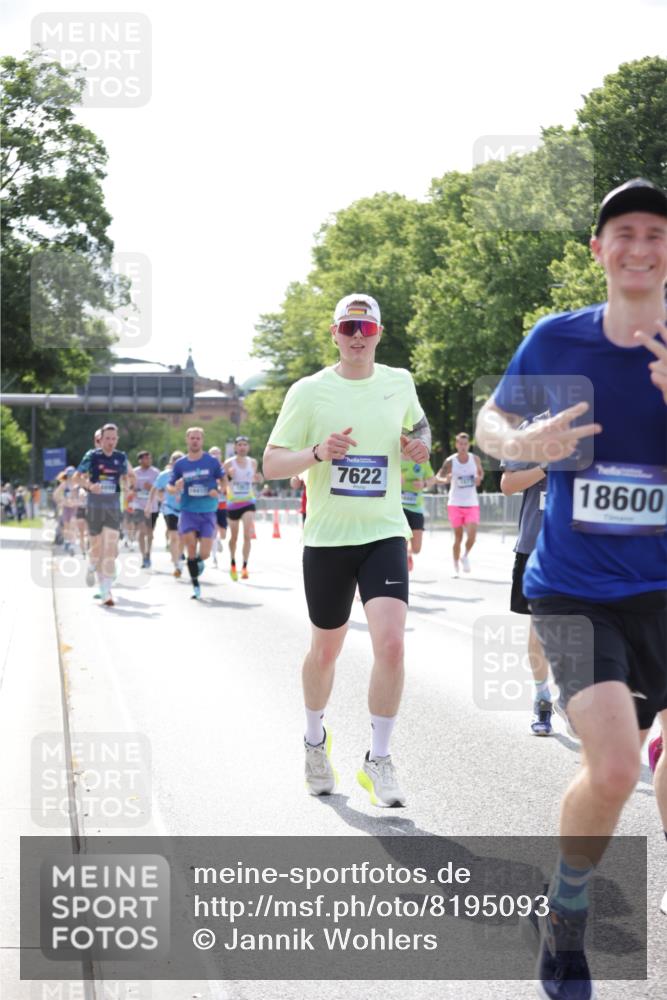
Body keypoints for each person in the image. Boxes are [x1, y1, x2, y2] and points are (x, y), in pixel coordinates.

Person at [476, 178, 667, 1000]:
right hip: (574, 590)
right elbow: (490, 426)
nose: (639, 248)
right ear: (597, 250)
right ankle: (567, 911)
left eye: (656, 234)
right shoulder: (555, 340)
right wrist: (520, 437)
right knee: (617, 768)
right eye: (623, 233)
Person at [264, 293, 431, 807]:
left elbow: (419, 424)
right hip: (328, 540)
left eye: (367, 328)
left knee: (393, 644)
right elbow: (271, 463)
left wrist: (420, 443)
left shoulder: (399, 381)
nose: (358, 336)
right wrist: (316, 452)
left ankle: (378, 760)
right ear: (334, 333)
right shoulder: (309, 392)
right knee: (326, 650)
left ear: (380, 333)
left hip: (383, 531)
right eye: (348, 327)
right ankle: (315, 742)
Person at [499, 413, 554, 736]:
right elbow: (507, 484)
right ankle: (542, 696)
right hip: (536, 545)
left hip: (585, 546)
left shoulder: (598, 423)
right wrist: (546, 466)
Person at [73, 423, 135, 607]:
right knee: (97, 549)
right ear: (101, 440)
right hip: (94, 506)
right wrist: (90, 486)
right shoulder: (92, 456)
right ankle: (92, 565)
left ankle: (106, 590)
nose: (110, 442)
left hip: (113, 507)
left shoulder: (121, 457)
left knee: (110, 548)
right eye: (107, 438)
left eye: (113, 439)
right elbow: (77, 477)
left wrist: (128, 484)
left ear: (117, 439)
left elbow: (129, 477)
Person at [167, 428, 226, 600]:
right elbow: (170, 488)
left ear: (202, 440)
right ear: (187, 440)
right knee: (191, 548)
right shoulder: (181, 464)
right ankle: (195, 585)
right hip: (188, 511)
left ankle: (196, 563)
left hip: (208, 511)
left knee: (205, 553)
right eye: (192, 438)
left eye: (198, 438)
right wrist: (176, 487)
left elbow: (223, 480)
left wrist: (220, 489)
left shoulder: (212, 462)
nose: (195, 441)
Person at [435, 432, 483, 576]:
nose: (462, 446)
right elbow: (439, 477)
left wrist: (479, 478)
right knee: (458, 537)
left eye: (465, 444)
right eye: (460, 444)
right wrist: (446, 480)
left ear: (468, 445)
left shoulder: (475, 459)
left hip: (472, 503)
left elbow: (480, 473)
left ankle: (465, 556)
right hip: (455, 503)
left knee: (473, 536)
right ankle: (455, 565)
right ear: (456, 445)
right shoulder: (450, 461)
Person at [224, 436, 263, 580]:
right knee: (234, 537)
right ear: (235, 448)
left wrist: (259, 479)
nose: (242, 447)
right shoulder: (228, 463)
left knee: (247, 535)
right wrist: (228, 476)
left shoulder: (253, 463)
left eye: (245, 445)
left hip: (248, 502)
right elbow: (222, 484)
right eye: (239, 445)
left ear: (248, 447)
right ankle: (233, 563)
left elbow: (254, 480)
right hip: (233, 504)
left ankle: (245, 567)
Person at [146, 451, 184, 576]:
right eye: (175, 461)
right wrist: (149, 505)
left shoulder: (189, 475)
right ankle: (177, 564)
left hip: (186, 509)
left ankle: (179, 555)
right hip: (169, 508)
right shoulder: (165, 475)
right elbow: (154, 489)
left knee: (182, 537)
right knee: (174, 536)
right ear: (171, 463)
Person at [400, 458, 436, 572]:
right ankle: (403, 563)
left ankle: (409, 553)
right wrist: (396, 481)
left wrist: (424, 483)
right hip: (400, 509)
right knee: (401, 544)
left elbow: (433, 479)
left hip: (417, 509)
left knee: (416, 549)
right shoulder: (396, 458)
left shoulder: (422, 460)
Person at [132, 450, 160, 568]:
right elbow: (130, 487)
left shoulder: (156, 472)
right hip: (138, 505)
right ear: (140, 460)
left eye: (150, 458)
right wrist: (134, 489)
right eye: (146, 458)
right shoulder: (134, 472)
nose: (149, 460)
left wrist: (151, 488)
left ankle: (148, 554)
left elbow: (161, 489)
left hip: (152, 506)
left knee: (150, 533)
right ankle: (143, 556)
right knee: (141, 531)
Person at [208, 446, 228, 567]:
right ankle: (214, 557)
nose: (215, 455)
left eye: (218, 453)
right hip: (211, 504)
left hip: (223, 504)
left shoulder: (225, 468)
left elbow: (230, 482)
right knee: (214, 531)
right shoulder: (207, 468)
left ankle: (219, 541)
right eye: (213, 453)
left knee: (224, 534)